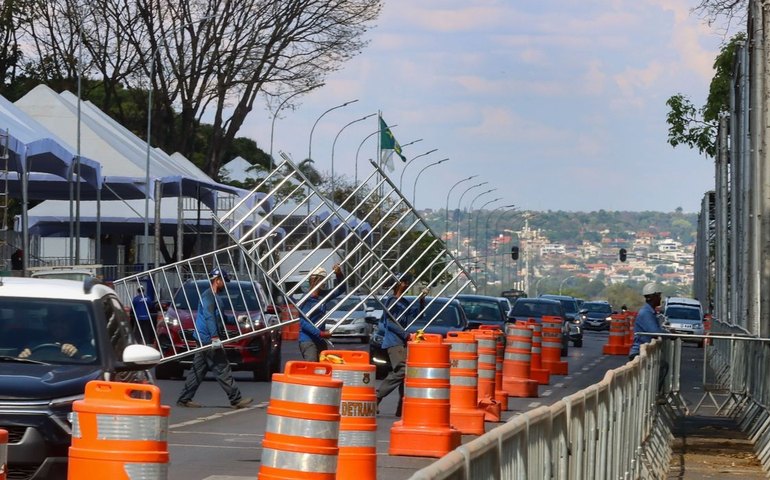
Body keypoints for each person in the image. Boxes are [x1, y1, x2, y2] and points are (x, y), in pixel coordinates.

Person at [176, 268, 253, 409]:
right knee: (222, 368)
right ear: (217, 281)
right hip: (207, 339)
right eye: (224, 281)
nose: (226, 284)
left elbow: (221, 319)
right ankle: (236, 399)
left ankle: (184, 399)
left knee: (198, 370)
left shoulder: (216, 298)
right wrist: (215, 337)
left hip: (205, 338)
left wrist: (237, 319)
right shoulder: (208, 296)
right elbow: (209, 317)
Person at [375, 273, 428, 417]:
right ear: (399, 284)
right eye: (405, 283)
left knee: (406, 375)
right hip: (393, 341)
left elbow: (418, 314)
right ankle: (376, 397)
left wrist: (421, 300)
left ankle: (402, 407)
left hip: (402, 342)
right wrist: (406, 335)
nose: (407, 285)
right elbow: (390, 323)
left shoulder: (404, 302)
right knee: (402, 370)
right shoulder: (391, 301)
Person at [298, 264, 345, 362]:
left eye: (323, 280)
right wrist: (320, 333)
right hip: (308, 340)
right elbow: (302, 322)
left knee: (323, 366)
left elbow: (341, 289)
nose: (322, 283)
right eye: (320, 280)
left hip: (320, 340)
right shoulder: (306, 299)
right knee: (312, 363)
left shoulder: (323, 296)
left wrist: (339, 274)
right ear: (312, 280)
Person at [629, 282, 669, 392]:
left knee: (662, 366)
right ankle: (654, 394)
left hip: (646, 352)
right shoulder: (646, 313)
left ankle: (652, 395)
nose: (660, 298)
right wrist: (669, 335)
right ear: (652, 297)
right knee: (662, 367)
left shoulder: (650, 312)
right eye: (658, 295)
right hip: (639, 353)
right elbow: (655, 332)